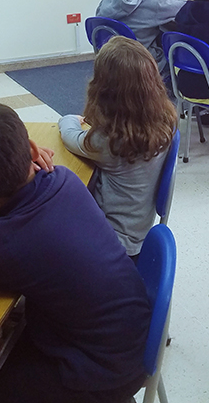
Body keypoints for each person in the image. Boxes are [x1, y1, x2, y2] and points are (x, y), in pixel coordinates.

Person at [0, 102, 151, 403]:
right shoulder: (63, 179)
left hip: (93, 374)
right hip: (125, 342)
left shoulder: (8, 243)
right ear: (33, 150)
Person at [59, 37, 176, 256]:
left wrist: (71, 118)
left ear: (103, 89)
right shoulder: (164, 121)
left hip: (110, 241)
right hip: (139, 234)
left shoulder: (110, 142)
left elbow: (69, 135)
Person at [95, 0, 184, 75]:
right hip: (140, 64)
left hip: (111, 62)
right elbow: (182, 7)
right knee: (169, 50)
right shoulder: (152, 4)